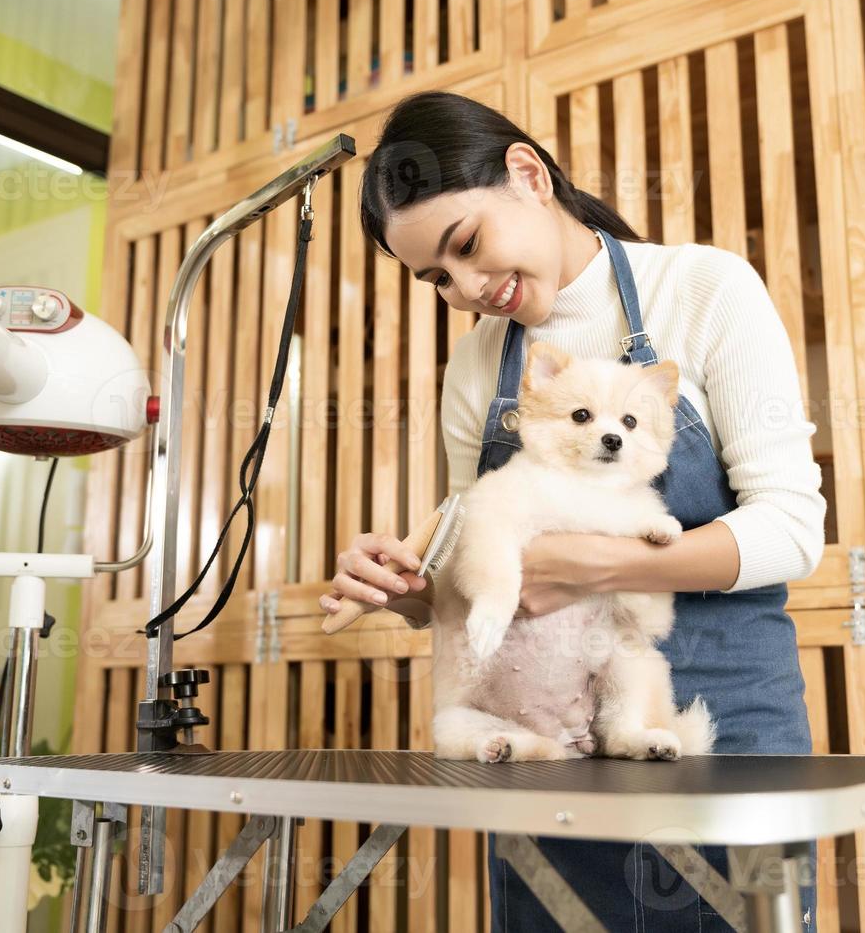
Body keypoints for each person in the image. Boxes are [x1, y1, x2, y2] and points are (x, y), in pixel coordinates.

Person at [320, 89, 826, 931]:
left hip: (714, 724)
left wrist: (602, 563)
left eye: (467, 246)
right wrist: (409, 591)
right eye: (436, 278)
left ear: (527, 174)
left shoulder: (701, 289)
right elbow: (474, 560)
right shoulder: (479, 366)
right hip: (544, 758)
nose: (467, 290)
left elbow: (789, 529)